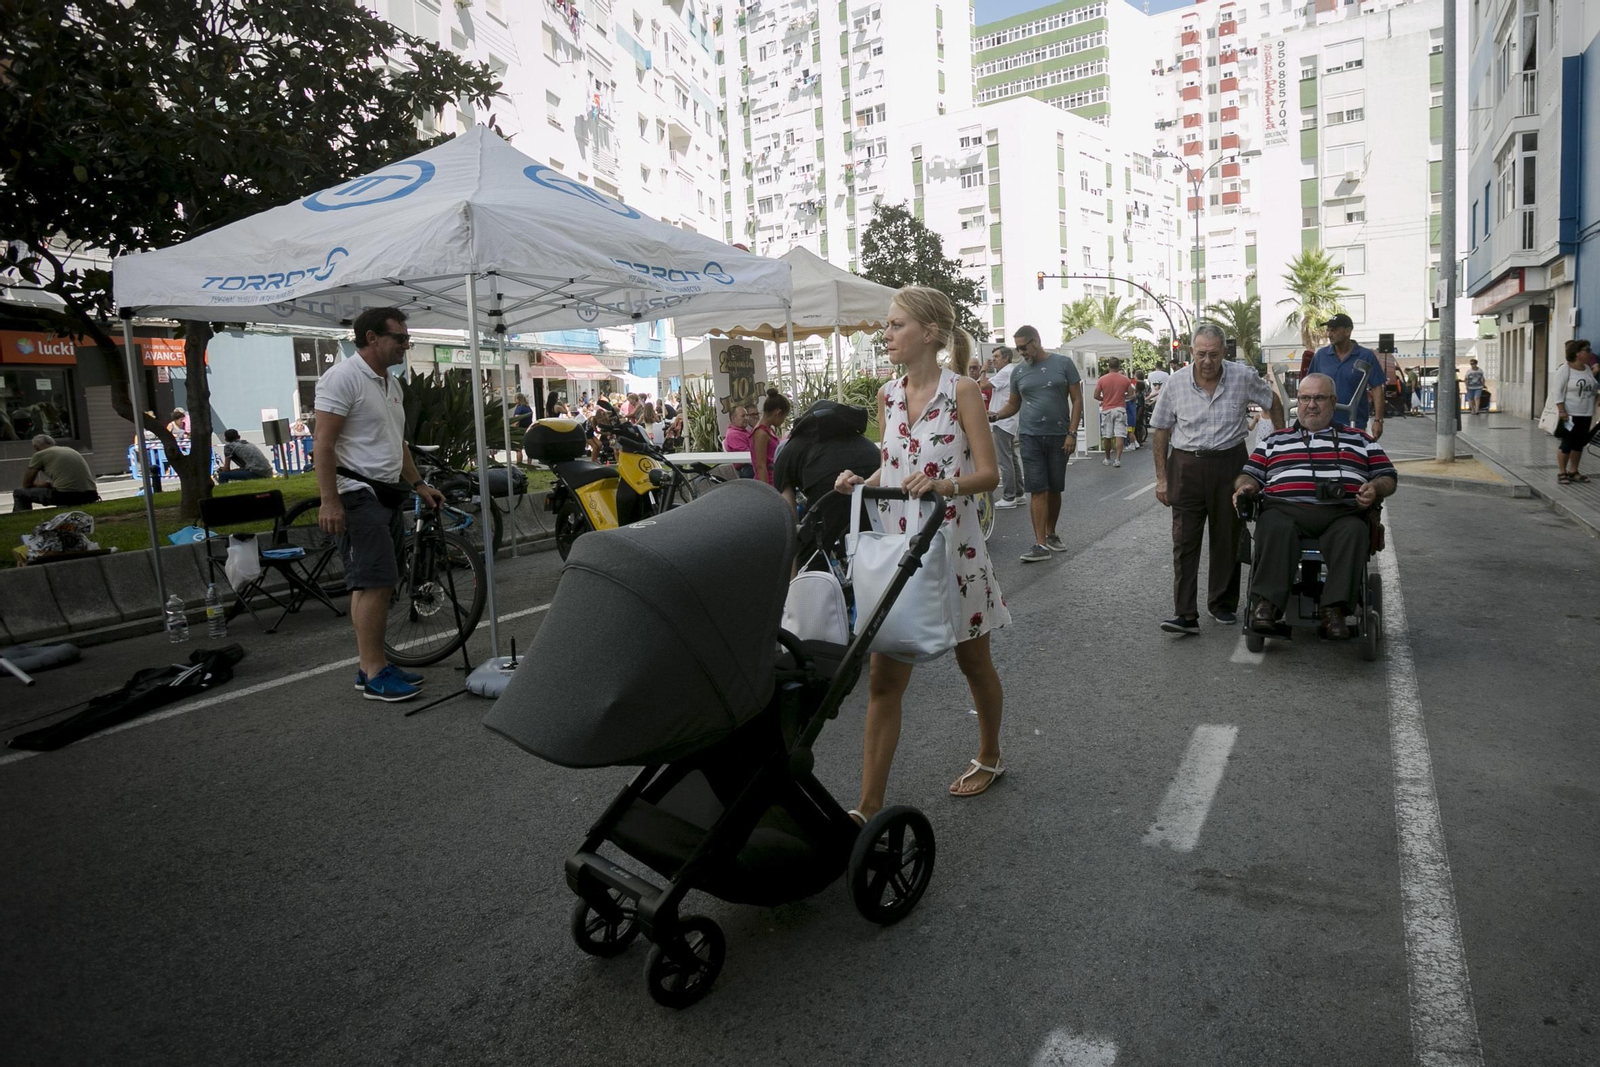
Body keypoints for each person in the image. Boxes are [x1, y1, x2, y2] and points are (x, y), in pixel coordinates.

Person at [832, 285, 1009, 820]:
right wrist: (861, 481)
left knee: (973, 660)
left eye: (895, 325)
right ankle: (867, 809)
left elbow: (989, 473)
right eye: (886, 326)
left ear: (929, 333)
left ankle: (990, 754)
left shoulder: (963, 392)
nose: (885, 334)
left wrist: (943, 486)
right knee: (885, 677)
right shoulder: (887, 395)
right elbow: (896, 462)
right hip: (899, 550)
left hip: (952, 546)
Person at [314, 307, 445, 703]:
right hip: (356, 492)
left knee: (372, 582)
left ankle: (370, 667)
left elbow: (396, 441)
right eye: (400, 339)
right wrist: (329, 501)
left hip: (387, 492)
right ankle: (374, 672)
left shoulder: (391, 384)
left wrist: (419, 484)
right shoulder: (342, 378)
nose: (406, 345)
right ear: (372, 338)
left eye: (407, 339)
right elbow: (323, 442)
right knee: (376, 580)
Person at [1234, 373, 1398, 640]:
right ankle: (1266, 606)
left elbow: (1387, 475)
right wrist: (1246, 486)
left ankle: (1333, 611)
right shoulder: (1274, 441)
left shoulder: (1360, 439)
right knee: (1273, 525)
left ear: (1333, 402)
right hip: (1285, 509)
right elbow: (1249, 473)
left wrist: (1375, 487)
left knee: (1355, 531)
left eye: (1319, 398)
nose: (1311, 404)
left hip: (1341, 512)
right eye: (1305, 398)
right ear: (1298, 402)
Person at [1150, 323, 1285, 635]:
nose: (1207, 360)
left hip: (1231, 465)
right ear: (1191, 352)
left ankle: (1222, 604)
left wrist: (1278, 448)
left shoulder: (1242, 376)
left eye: (1213, 354)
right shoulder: (1176, 383)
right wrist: (1161, 479)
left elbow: (1272, 403)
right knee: (1184, 541)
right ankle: (1184, 614)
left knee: (1228, 538)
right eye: (1200, 354)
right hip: (1185, 466)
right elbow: (1161, 431)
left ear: (1224, 352)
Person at [987, 324, 1084, 562]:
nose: (1022, 353)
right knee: (1037, 489)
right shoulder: (1018, 372)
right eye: (1018, 349)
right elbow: (1013, 404)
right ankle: (1040, 543)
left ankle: (1051, 533)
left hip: (1059, 436)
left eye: (1024, 347)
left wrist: (1072, 433)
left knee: (1054, 488)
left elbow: (1077, 399)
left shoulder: (1063, 364)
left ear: (1035, 341)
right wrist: (997, 414)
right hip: (1030, 436)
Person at [775, 399, 881, 558]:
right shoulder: (851, 434)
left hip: (827, 476)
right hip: (874, 463)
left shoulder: (786, 452)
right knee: (870, 542)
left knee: (815, 552)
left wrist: (793, 576)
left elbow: (789, 522)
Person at [1307, 314, 1385, 439]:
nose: (1329, 334)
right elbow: (1309, 387)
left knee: (1352, 458)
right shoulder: (1321, 356)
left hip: (1354, 424)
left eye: (1334, 330)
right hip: (1324, 424)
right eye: (1328, 330)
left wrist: (1378, 420)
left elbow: (1377, 388)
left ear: (1348, 331)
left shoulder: (1366, 356)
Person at [980, 346, 1023, 509]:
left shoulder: (1005, 372)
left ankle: (1009, 496)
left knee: (1004, 460)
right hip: (1008, 420)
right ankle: (1018, 494)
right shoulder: (1010, 371)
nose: (993, 360)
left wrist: (984, 370)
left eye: (996, 356)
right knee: (1011, 457)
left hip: (1002, 421)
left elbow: (983, 385)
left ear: (1006, 358)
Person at [14, 434, 99, 511]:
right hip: (91, 494)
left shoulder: (39, 455)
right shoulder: (69, 450)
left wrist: (41, 485)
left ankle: (21, 518)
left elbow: (26, 484)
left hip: (66, 496)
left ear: (35, 447)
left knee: (19, 493)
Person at [1554, 339, 1597, 485]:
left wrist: (1597, 395)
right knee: (1567, 443)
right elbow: (1557, 391)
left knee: (1579, 444)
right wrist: (1562, 411)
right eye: (1587, 350)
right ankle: (1562, 472)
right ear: (1577, 353)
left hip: (1586, 412)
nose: (1590, 353)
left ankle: (1574, 471)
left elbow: (1593, 387)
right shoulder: (1565, 369)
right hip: (1570, 413)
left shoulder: (1587, 369)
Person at [1094, 357, 1133, 468]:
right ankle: (1117, 459)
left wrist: (1104, 399)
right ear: (1119, 366)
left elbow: (1095, 395)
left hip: (1107, 409)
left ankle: (1107, 458)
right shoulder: (1125, 379)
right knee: (1120, 434)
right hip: (1120, 409)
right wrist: (1123, 396)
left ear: (1108, 366)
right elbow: (1131, 393)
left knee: (1107, 435)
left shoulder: (1102, 379)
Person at [749, 389, 790, 486]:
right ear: (778, 413)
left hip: (775, 480)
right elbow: (760, 466)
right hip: (769, 483)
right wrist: (767, 492)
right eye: (783, 417)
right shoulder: (760, 433)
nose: (783, 421)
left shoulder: (768, 430)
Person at [509, 393, 534, 463]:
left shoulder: (519, 408)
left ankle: (519, 464)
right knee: (529, 448)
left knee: (518, 449)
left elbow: (517, 421)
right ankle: (529, 464)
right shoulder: (528, 408)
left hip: (520, 430)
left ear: (517, 399)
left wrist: (513, 430)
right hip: (528, 429)